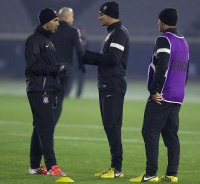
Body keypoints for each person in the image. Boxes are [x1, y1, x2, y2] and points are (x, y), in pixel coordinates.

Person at [129, 8, 189, 183]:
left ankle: (151, 173)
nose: (157, 23)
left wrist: (155, 90)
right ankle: (172, 174)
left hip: (162, 95)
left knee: (149, 131)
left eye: (158, 20)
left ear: (162, 21)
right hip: (177, 95)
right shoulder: (184, 41)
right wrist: (181, 92)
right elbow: (186, 70)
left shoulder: (164, 39)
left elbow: (162, 65)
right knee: (171, 135)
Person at [82, 1, 129, 179]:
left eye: (101, 14)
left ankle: (117, 169)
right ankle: (114, 166)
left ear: (109, 15)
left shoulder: (118, 33)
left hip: (113, 86)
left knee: (113, 126)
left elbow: (112, 59)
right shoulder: (113, 33)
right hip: (107, 85)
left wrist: (87, 56)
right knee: (110, 126)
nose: (98, 17)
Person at [24, 8, 67, 176]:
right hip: (39, 90)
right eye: (55, 20)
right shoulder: (34, 39)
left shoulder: (47, 40)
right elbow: (32, 66)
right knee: (47, 127)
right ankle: (52, 167)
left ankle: (35, 166)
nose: (58, 23)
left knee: (40, 127)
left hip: (47, 90)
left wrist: (57, 73)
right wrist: (56, 68)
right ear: (46, 21)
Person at [51, 7, 86, 99]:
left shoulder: (51, 30)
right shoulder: (73, 31)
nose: (73, 19)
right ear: (67, 17)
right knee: (63, 95)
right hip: (66, 68)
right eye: (72, 16)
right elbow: (79, 50)